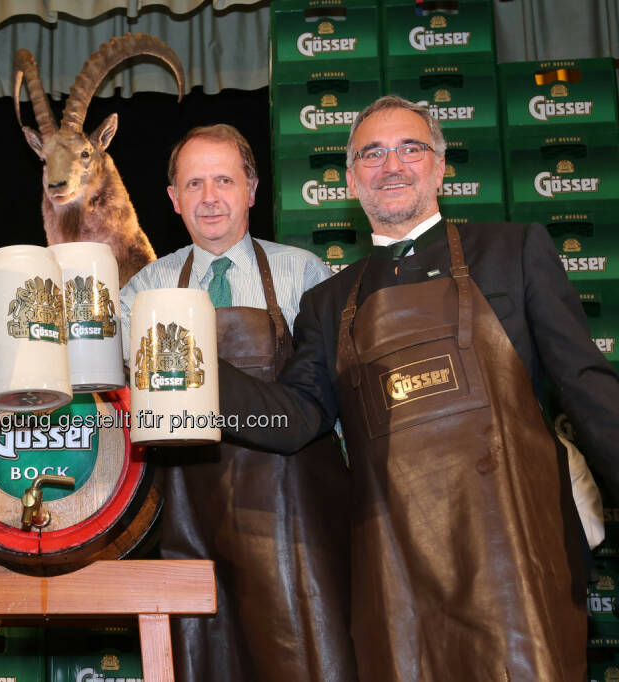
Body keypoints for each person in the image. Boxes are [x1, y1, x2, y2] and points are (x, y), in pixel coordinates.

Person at [217, 95, 619, 681]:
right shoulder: (329, 302)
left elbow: (585, 383)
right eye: (373, 154)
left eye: (411, 148)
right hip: (395, 574)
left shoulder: (513, 251)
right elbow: (297, 420)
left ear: (440, 165)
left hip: (519, 556)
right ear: (351, 180)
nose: (393, 164)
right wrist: (196, 376)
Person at [119, 124, 357, 682]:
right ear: (173, 199)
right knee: (201, 658)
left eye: (224, 180)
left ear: (251, 189)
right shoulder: (144, 290)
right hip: (186, 510)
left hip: (291, 506)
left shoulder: (304, 275)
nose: (210, 197)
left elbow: (335, 404)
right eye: (194, 183)